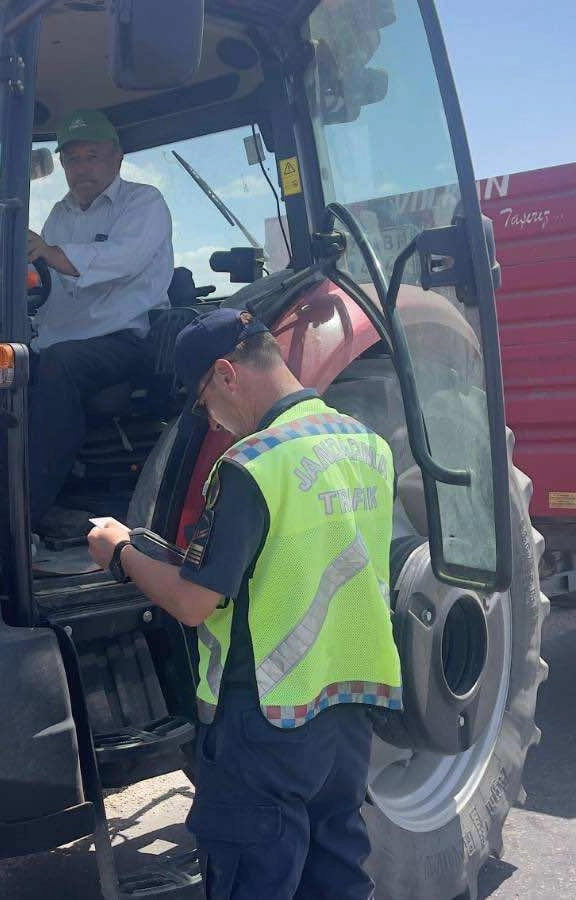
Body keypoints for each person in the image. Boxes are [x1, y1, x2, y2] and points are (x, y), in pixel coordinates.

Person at [87, 308, 403, 900]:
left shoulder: (253, 464)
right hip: (347, 717)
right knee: (335, 875)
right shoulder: (368, 445)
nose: (212, 418)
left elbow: (192, 602)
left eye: (204, 400)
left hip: (267, 721)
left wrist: (121, 552)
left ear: (228, 374)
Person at [26, 108, 174, 537]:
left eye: (92, 156)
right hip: (61, 337)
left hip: (125, 339)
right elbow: (47, 277)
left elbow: (123, 261)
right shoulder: (62, 213)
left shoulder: (143, 203)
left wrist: (48, 253)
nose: (81, 168)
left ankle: (26, 514)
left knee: (59, 367)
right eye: (72, 160)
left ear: (117, 160)